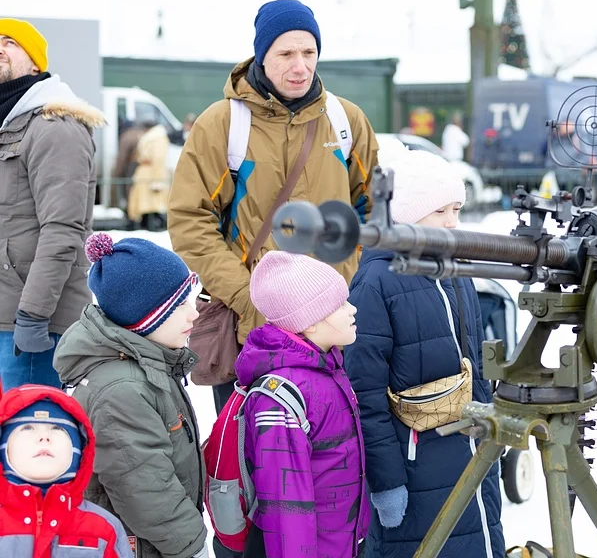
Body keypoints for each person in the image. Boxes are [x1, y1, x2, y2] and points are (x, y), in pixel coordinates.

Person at [168, 0, 379, 414]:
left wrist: (340, 283)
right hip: (253, 334)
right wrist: (250, 298)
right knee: (252, 458)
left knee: (329, 453)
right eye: (285, 54)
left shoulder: (346, 120)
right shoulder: (223, 124)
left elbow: (372, 213)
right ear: (262, 56)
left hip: (330, 329)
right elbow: (190, 222)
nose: (299, 66)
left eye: (309, 53)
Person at [345, 148, 505, 558]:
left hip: (471, 456)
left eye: (456, 209)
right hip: (416, 469)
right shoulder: (376, 283)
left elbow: (475, 368)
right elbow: (365, 394)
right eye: (440, 212)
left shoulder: (456, 271)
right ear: (408, 215)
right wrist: (386, 481)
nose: (453, 222)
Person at [53, 233, 209, 558]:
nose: (194, 314)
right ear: (144, 316)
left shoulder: (146, 362)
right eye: (180, 305)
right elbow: (146, 490)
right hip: (138, 546)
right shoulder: (121, 390)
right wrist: (191, 546)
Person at [232, 250, 369, 558]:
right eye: (339, 305)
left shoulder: (328, 368)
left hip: (340, 544)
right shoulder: (282, 397)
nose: (352, 309)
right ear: (308, 323)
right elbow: (285, 508)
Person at [0, 18, 103, 391]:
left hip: (30, 325)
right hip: (5, 316)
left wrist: (33, 314)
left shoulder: (54, 126)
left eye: (10, 42)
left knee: (31, 440)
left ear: (35, 63)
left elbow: (63, 230)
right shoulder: (9, 126)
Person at [0, 385, 135, 557]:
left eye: (58, 429)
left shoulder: (103, 527)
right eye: (27, 428)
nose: (44, 437)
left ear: (81, 450)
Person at [128, 123, 171, 231]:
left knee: (151, 205)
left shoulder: (157, 139)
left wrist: (157, 181)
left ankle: (152, 226)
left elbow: (158, 160)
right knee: (146, 205)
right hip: (146, 173)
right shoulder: (154, 138)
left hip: (151, 175)